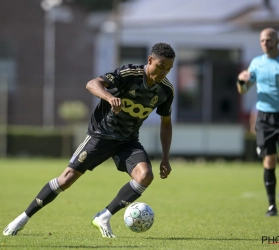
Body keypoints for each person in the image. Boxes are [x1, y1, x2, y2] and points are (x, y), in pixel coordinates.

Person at [3, 42, 175, 237]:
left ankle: (103, 216)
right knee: (66, 180)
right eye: (161, 66)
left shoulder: (166, 91)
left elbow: (166, 123)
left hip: (127, 140)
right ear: (150, 60)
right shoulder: (129, 74)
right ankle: (23, 218)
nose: (164, 72)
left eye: (168, 69)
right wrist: (109, 97)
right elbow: (92, 84)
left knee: (145, 176)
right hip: (101, 135)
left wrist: (165, 157)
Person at [237, 28, 279, 216]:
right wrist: (241, 80)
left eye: (269, 39)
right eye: (262, 40)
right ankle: (272, 205)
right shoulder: (256, 63)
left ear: (277, 41)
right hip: (264, 118)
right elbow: (243, 90)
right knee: (269, 161)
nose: (265, 42)